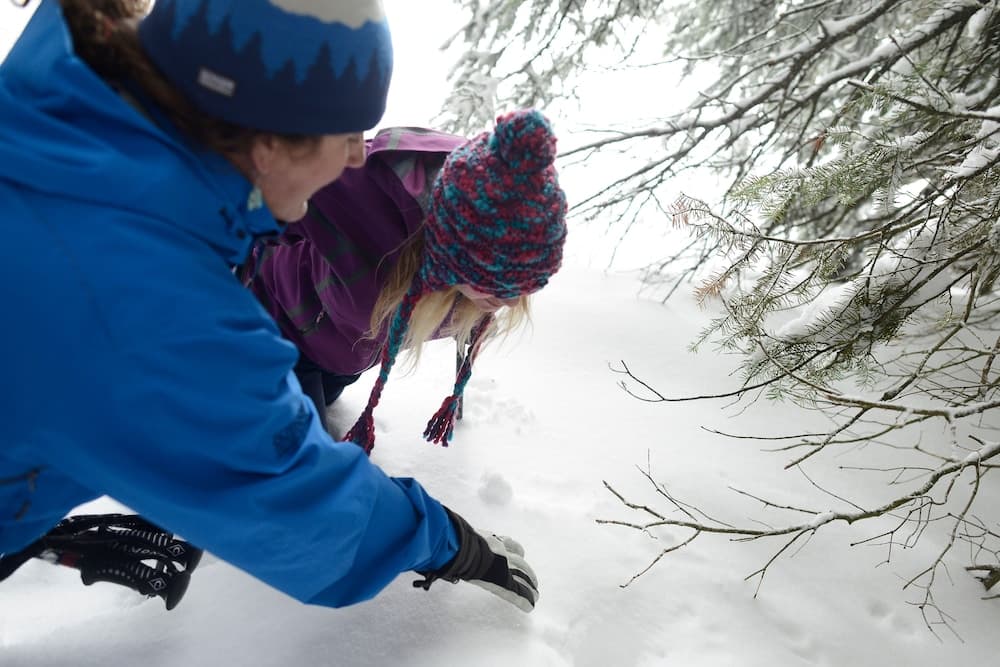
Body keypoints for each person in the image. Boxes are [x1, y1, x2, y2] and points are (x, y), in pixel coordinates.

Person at [0, 0, 538, 613]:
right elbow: (300, 505)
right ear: (268, 138)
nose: (358, 157)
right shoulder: (152, 315)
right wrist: (453, 544)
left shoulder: (53, 110)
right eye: (342, 134)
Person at [243, 109, 568, 452]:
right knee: (300, 466)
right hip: (278, 334)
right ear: (453, 256)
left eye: (525, 287)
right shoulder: (359, 194)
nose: (512, 301)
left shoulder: (491, 254)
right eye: (499, 286)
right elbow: (244, 209)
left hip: (343, 360)